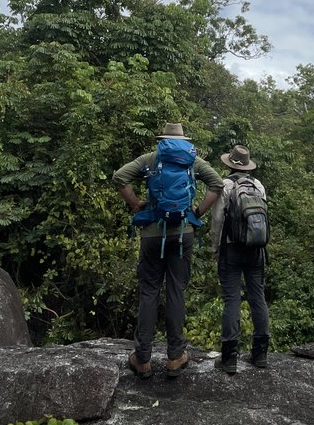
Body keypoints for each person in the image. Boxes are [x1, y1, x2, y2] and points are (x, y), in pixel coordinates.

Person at [113, 123, 223, 380]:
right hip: (183, 233)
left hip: (152, 234)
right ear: (183, 140)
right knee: (176, 290)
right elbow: (217, 184)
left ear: (162, 139)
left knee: (149, 291)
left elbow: (119, 178)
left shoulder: (150, 159)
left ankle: (142, 359)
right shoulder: (193, 161)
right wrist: (198, 211)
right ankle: (175, 356)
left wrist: (135, 204)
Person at [211, 144, 270, 374]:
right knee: (258, 297)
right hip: (256, 250)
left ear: (229, 164)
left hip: (231, 249)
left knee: (232, 300)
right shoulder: (258, 185)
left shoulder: (225, 186)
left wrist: (215, 248)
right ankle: (260, 354)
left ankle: (229, 358)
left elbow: (218, 220)